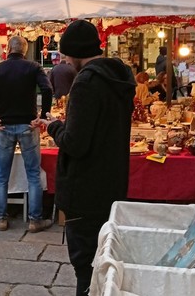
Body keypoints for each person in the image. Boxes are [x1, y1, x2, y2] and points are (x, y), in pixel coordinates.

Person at [35, 20, 135, 296]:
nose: (65, 60)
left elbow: (75, 144)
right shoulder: (119, 78)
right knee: (104, 262)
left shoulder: (87, 82)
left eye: (66, 54)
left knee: (85, 267)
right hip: (111, 183)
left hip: (86, 190)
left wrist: (54, 125)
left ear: (76, 52)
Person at [0, 36, 53, 233]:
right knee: (33, 174)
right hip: (28, 124)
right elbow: (47, 88)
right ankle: (35, 219)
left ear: (8, 48)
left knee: (1, 175)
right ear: (25, 49)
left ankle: (1, 218)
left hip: (4, 126)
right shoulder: (34, 67)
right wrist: (43, 115)